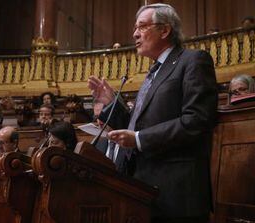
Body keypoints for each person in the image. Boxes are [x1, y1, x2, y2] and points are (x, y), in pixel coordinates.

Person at [88, 3, 218, 222]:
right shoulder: (153, 73)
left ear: (165, 30)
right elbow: (138, 125)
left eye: (142, 27)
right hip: (143, 190)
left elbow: (197, 121)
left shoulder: (193, 61)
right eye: (135, 28)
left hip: (177, 195)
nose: (134, 34)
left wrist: (139, 139)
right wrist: (112, 103)